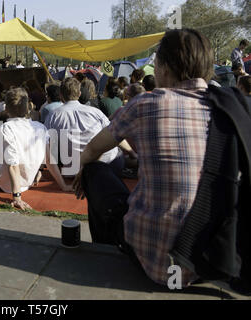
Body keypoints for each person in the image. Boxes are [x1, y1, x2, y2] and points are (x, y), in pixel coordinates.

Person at [72, 28, 218, 287]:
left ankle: (104, 251)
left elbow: (93, 150)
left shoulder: (146, 104)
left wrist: (81, 170)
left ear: (165, 68)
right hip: (212, 258)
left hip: (155, 257)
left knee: (94, 170)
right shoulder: (227, 108)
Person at [45, 78, 123, 177]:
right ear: (79, 94)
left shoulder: (53, 115)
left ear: (61, 95)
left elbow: (48, 145)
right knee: (117, 151)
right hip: (105, 163)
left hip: (72, 169)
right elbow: (112, 133)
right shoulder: (95, 112)